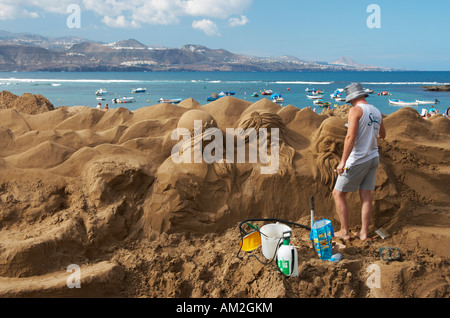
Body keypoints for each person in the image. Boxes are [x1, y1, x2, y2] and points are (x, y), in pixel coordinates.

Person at [332, 83, 386, 241]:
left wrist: (342, 162)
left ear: (352, 98)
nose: (349, 103)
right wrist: (369, 137)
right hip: (373, 157)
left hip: (358, 159)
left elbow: (350, 137)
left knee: (338, 193)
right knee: (366, 195)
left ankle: (344, 231)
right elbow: (382, 135)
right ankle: (363, 233)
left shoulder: (355, 110)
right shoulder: (376, 111)